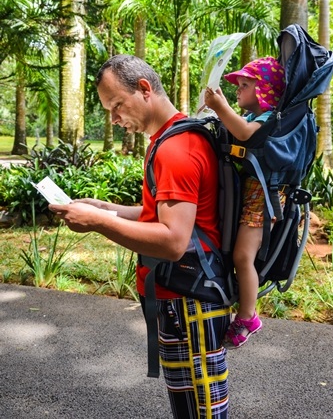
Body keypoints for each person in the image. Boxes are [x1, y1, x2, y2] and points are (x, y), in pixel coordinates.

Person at [49, 54, 231, 419]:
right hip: (182, 297)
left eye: (117, 105)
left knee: (201, 411)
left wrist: (98, 223)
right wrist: (106, 209)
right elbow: (162, 218)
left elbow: (174, 241)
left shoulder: (176, 149)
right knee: (192, 407)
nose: (114, 119)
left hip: (189, 300)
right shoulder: (171, 138)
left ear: (144, 89)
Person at [204, 57, 285, 349]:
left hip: (263, 196)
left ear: (264, 91)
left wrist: (220, 107)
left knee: (242, 256)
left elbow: (244, 135)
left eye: (245, 85)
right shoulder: (253, 116)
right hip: (251, 192)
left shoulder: (269, 119)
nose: (239, 91)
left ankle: (248, 316)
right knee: (236, 252)